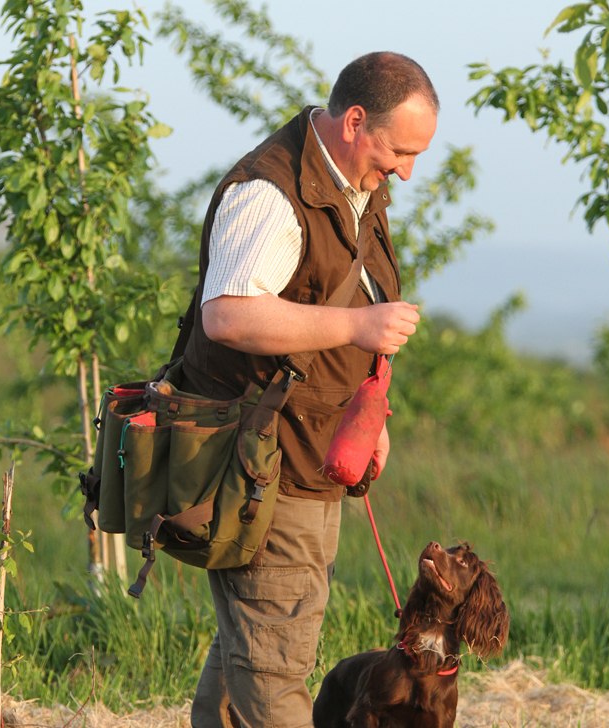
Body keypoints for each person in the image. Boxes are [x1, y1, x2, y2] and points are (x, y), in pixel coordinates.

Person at [185, 51, 439, 728]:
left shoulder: (355, 187)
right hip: (263, 462)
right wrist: (358, 325)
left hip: (310, 453)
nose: (406, 171)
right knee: (273, 664)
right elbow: (228, 314)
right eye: (400, 151)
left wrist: (369, 412)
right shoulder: (269, 194)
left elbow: (346, 304)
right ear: (355, 121)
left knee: (254, 648)